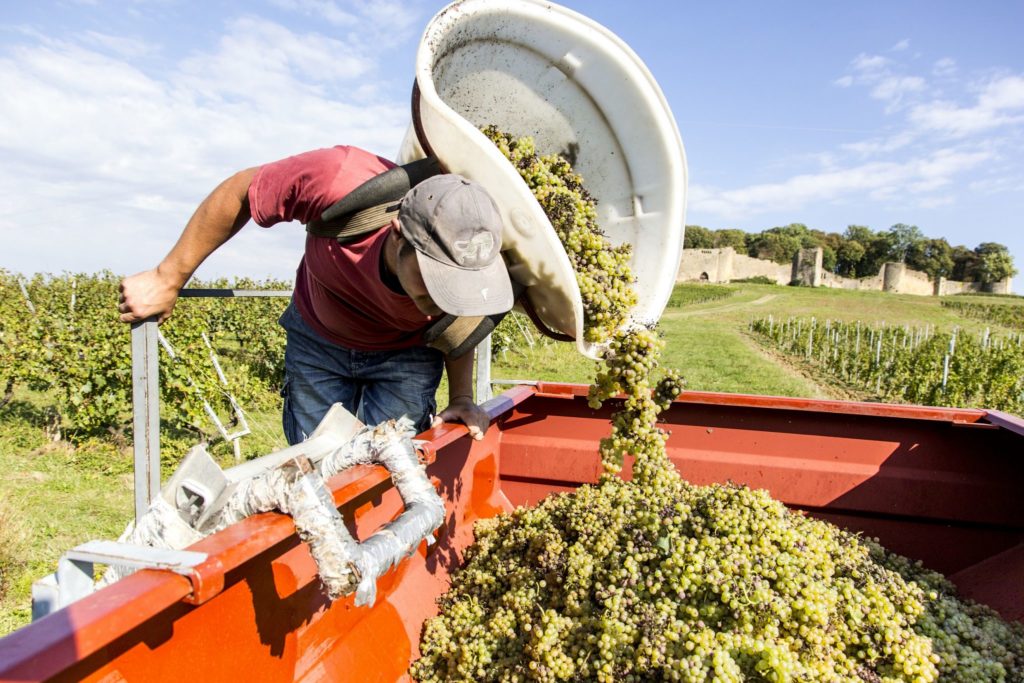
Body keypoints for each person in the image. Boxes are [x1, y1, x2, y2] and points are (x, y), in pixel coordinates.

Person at [117, 145, 514, 444]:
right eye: (434, 276)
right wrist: (168, 276)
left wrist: (461, 395)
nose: (443, 295)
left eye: (455, 284)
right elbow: (243, 190)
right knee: (315, 464)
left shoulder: (464, 270)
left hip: (405, 353)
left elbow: (460, 327)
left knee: (392, 468)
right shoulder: (340, 179)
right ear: (398, 234)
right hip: (318, 341)